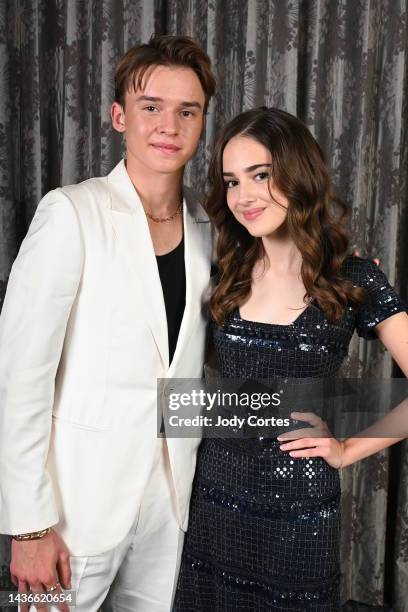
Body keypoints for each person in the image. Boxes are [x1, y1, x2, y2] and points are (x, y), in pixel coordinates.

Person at [0, 35, 216, 611]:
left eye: (186, 111)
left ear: (201, 124)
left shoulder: (208, 228)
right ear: (119, 116)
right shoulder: (70, 212)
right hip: (73, 511)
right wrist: (27, 526)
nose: (168, 125)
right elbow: (19, 376)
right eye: (151, 107)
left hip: (169, 505)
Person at [173, 107, 408, 611]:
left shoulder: (353, 276)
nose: (244, 196)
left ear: (298, 173)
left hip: (297, 514)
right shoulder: (222, 270)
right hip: (213, 500)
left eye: (261, 175)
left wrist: (346, 449)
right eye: (232, 181)